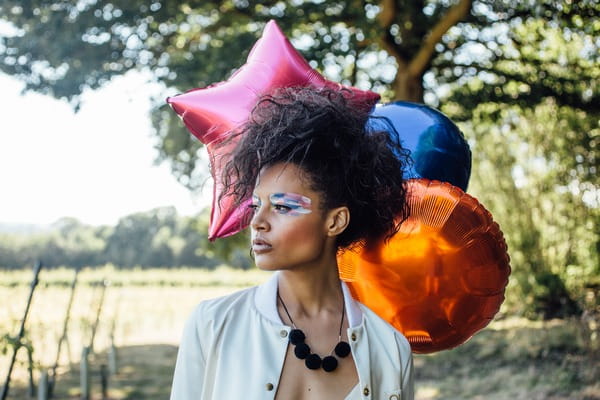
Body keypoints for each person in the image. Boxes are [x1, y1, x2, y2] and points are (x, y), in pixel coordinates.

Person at [170, 87, 414, 400]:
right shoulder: (213, 325)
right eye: (257, 204)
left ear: (335, 221)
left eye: (283, 207)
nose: (258, 221)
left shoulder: (391, 349)